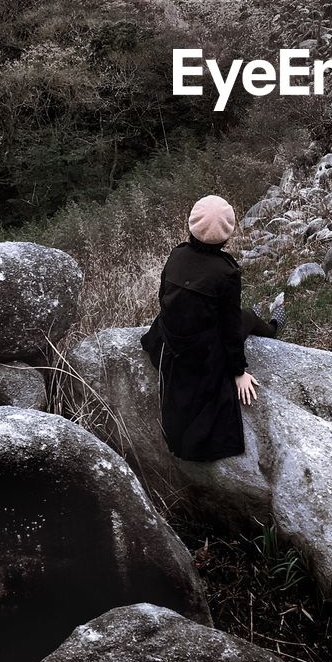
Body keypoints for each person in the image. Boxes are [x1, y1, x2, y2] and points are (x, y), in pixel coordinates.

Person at [140, 194, 285, 463]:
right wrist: (238, 372)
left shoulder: (177, 255)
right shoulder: (226, 271)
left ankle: (269, 322)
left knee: (243, 314)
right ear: (226, 235)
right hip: (205, 349)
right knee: (248, 316)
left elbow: (163, 299)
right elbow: (230, 329)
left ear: (191, 226)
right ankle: (274, 328)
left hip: (173, 338)